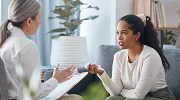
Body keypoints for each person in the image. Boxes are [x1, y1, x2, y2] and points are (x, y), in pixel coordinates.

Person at [0, 0, 83, 100]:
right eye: (39, 18)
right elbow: (35, 94)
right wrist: (55, 79)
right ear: (29, 21)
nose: (40, 22)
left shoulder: (4, 41)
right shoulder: (27, 45)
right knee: (75, 98)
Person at [87, 14, 176, 100]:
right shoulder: (118, 56)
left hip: (159, 97)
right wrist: (102, 74)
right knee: (111, 98)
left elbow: (138, 95)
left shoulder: (150, 56)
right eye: (118, 33)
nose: (119, 38)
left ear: (137, 35)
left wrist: (122, 92)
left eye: (124, 33)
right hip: (133, 96)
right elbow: (115, 92)